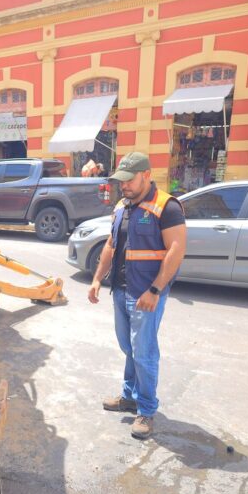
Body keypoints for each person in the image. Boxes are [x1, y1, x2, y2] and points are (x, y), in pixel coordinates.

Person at [87, 152, 187, 439]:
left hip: (146, 293)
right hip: (120, 290)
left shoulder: (167, 207)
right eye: (121, 182)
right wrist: (97, 279)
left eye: (129, 181)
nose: (124, 187)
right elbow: (110, 244)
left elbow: (176, 249)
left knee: (144, 353)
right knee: (128, 348)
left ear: (146, 175)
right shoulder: (122, 206)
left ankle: (146, 410)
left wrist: (155, 289)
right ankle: (129, 397)